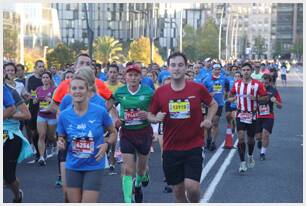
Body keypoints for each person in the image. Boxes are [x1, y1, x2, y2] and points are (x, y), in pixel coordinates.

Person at [148, 52, 218, 203]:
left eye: (180, 65)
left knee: (192, 188)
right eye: (173, 65)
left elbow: (213, 104)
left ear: (186, 67)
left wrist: (208, 119)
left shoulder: (197, 88)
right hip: (171, 148)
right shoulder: (160, 93)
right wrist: (155, 118)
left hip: (194, 146)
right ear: (168, 68)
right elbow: (150, 114)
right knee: (178, 193)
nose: (176, 68)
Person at [56, 71, 117, 203]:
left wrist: (106, 144)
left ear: (88, 90)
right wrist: (60, 142)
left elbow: (113, 132)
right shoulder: (64, 115)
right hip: (73, 165)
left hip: (94, 165)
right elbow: (61, 136)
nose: (78, 91)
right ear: (69, 91)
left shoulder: (99, 111)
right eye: (74, 88)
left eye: (81, 88)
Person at [113, 63, 154, 203]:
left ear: (140, 77)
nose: (133, 78)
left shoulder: (148, 91)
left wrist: (148, 114)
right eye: (130, 75)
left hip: (144, 133)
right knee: (128, 169)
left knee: (141, 170)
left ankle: (138, 185)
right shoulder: (120, 92)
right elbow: (109, 104)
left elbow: (157, 109)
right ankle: (127, 201)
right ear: (125, 77)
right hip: (127, 133)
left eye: (136, 75)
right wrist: (116, 118)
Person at [227, 62, 268, 173]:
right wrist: (231, 99)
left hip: (253, 114)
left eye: (248, 70)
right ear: (241, 71)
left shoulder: (257, 84)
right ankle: (242, 163)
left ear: (251, 71)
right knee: (240, 137)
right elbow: (230, 96)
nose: (245, 72)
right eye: (244, 70)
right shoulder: (237, 84)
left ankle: (250, 155)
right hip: (240, 113)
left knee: (250, 139)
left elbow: (265, 98)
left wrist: (256, 98)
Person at [3, 82, 33, 203]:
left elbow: (27, 115)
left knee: (8, 177)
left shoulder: (11, 92)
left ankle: (17, 196)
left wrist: (8, 116)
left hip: (11, 136)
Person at [202, 63, 229, 151]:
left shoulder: (223, 78)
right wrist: (209, 94)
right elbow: (202, 92)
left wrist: (226, 93)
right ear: (212, 70)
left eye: (218, 69)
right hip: (208, 104)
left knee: (215, 123)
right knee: (208, 123)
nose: (217, 71)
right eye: (215, 69)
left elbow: (227, 86)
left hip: (219, 104)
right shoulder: (206, 80)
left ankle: (213, 142)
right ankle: (208, 138)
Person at [255, 74, 282, 160]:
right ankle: (259, 141)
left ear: (269, 82)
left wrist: (275, 102)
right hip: (258, 115)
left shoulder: (273, 91)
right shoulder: (256, 90)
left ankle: (262, 153)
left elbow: (280, 106)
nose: (264, 84)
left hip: (269, 116)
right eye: (263, 82)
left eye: (266, 83)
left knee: (265, 134)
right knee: (258, 137)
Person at [35, 71, 57, 166]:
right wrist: (35, 100)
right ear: (41, 79)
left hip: (52, 115)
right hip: (41, 115)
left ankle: (53, 144)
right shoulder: (38, 89)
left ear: (50, 79)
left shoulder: (54, 89)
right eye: (43, 77)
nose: (45, 79)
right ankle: (41, 157)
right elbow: (35, 101)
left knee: (51, 136)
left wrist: (50, 100)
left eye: (47, 77)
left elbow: (57, 102)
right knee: (42, 135)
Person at [25, 60, 45, 162]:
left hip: (44, 108)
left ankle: (40, 152)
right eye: (39, 66)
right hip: (33, 107)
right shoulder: (30, 78)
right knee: (34, 132)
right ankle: (38, 151)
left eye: (43, 66)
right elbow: (26, 92)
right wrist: (33, 97)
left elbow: (52, 90)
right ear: (35, 68)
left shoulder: (46, 77)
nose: (41, 68)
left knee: (41, 131)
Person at [105, 63, 123, 175]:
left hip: (117, 116)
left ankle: (112, 163)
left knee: (114, 139)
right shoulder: (102, 85)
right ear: (107, 73)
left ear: (118, 73)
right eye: (110, 72)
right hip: (104, 115)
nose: (112, 74)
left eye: (114, 72)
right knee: (105, 140)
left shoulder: (121, 87)